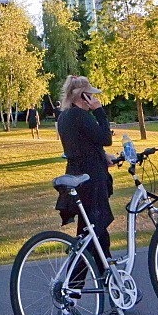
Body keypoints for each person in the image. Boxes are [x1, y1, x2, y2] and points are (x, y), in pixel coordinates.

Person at [55, 75, 115, 258]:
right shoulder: (81, 116)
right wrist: (99, 111)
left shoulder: (66, 116)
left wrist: (101, 154)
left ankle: (108, 280)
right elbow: (106, 138)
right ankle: (74, 283)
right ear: (83, 96)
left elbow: (79, 143)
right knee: (91, 234)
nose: (94, 99)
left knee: (96, 234)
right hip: (91, 179)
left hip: (77, 172)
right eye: (91, 95)